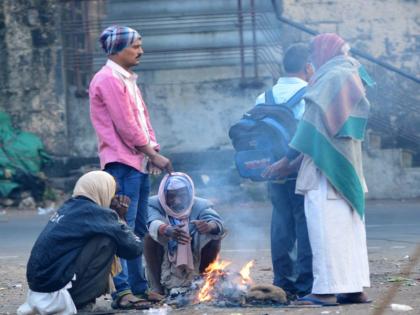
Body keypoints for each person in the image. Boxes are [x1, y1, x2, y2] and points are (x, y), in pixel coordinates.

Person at [266, 33, 371, 306]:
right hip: (347, 162)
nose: (312, 61)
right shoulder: (352, 72)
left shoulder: (330, 77)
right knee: (350, 231)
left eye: (313, 54)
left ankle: (324, 291)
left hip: (326, 167)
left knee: (324, 231)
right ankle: (355, 288)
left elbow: (309, 126)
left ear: (324, 52)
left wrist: (287, 160)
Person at [89, 25, 173, 308]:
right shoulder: (109, 79)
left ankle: (138, 287)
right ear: (117, 49)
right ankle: (123, 292)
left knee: (137, 229)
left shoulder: (126, 79)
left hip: (135, 161)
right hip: (121, 163)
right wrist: (153, 153)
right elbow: (126, 126)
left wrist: (152, 151)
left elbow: (142, 119)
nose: (141, 50)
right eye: (135, 46)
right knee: (122, 228)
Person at [17, 171, 145, 314]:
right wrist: (120, 218)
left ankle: (78, 300)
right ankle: (82, 304)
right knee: (107, 240)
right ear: (102, 190)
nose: (114, 199)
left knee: (105, 234)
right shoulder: (97, 213)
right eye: (112, 193)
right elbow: (134, 249)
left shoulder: (70, 206)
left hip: (40, 291)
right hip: (55, 291)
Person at [258, 43, 314, 299]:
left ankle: (282, 281)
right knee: (305, 226)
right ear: (308, 67)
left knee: (281, 226)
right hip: (299, 170)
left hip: (272, 170)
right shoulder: (309, 94)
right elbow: (309, 137)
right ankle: (306, 285)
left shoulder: (265, 97)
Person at [144, 172, 225, 299]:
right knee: (149, 238)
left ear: (190, 193)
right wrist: (166, 229)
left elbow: (217, 222)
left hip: (194, 252)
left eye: (182, 195)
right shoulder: (154, 203)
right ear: (163, 194)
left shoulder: (201, 204)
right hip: (165, 252)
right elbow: (152, 221)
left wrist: (209, 226)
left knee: (214, 237)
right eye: (171, 196)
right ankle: (157, 288)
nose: (177, 201)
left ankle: (203, 282)